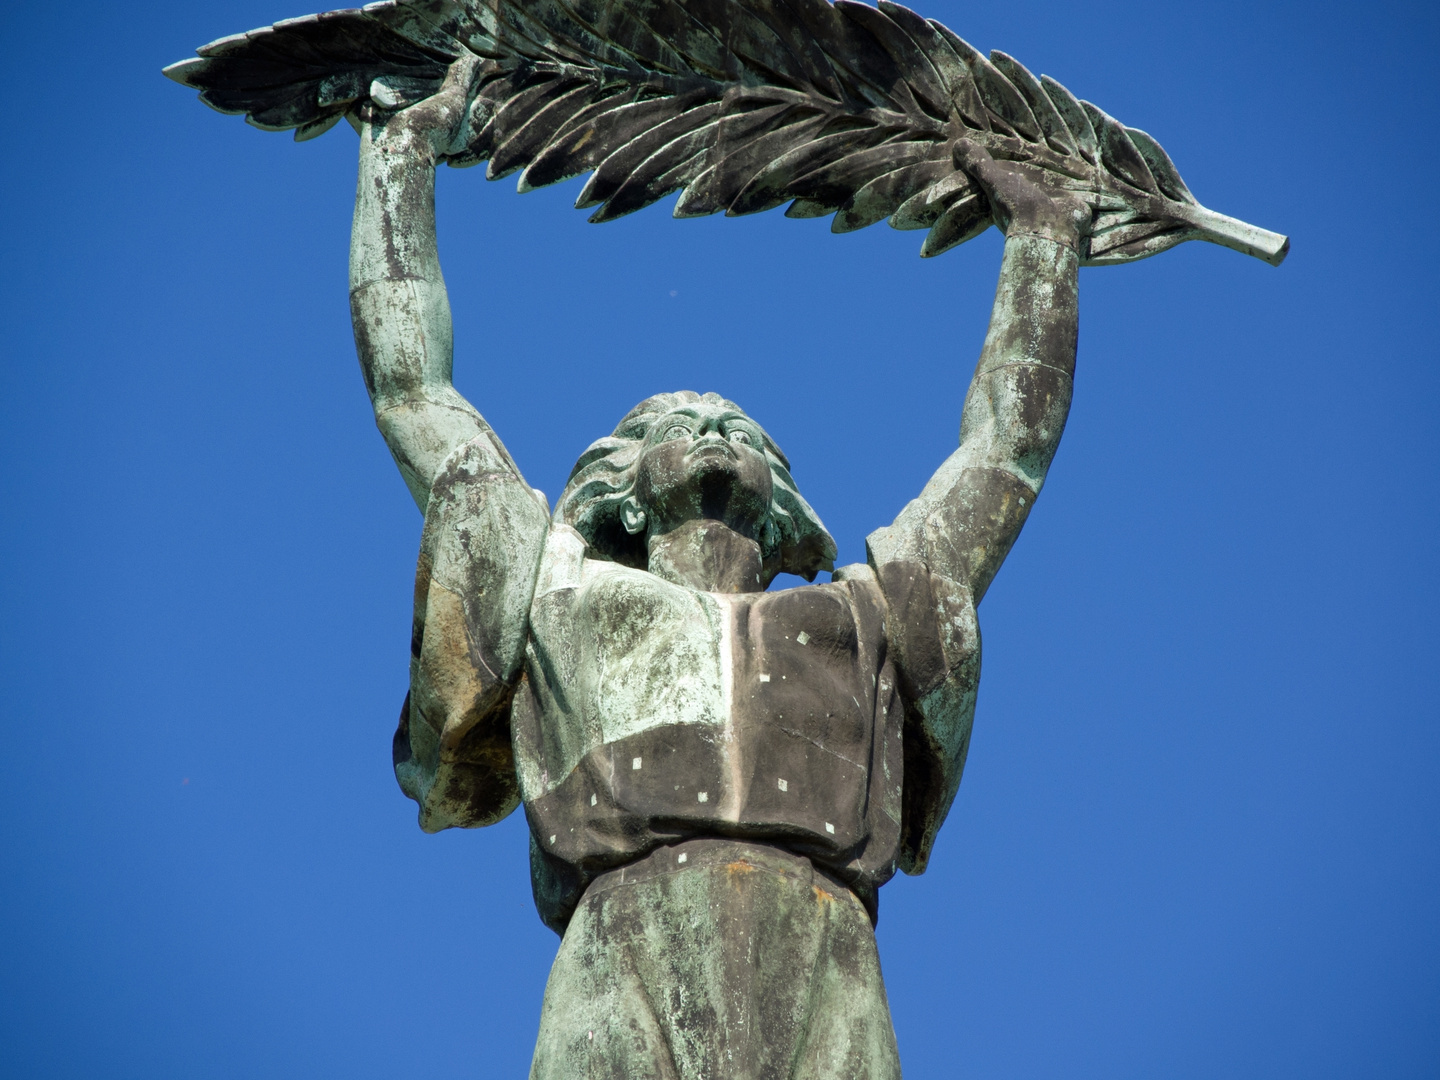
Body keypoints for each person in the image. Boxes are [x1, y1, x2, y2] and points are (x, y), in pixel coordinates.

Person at [352, 54, 1083, 1080]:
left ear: (781, 494)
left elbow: (1004, 456)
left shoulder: (865, 617)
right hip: (622, 948)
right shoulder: (561, 594)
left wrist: (1044, 242)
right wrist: (402, 153)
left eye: (733, 425)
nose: (709, 429)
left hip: (826, 954)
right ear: (617, 485)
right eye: (675, 422)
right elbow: (414, 392)